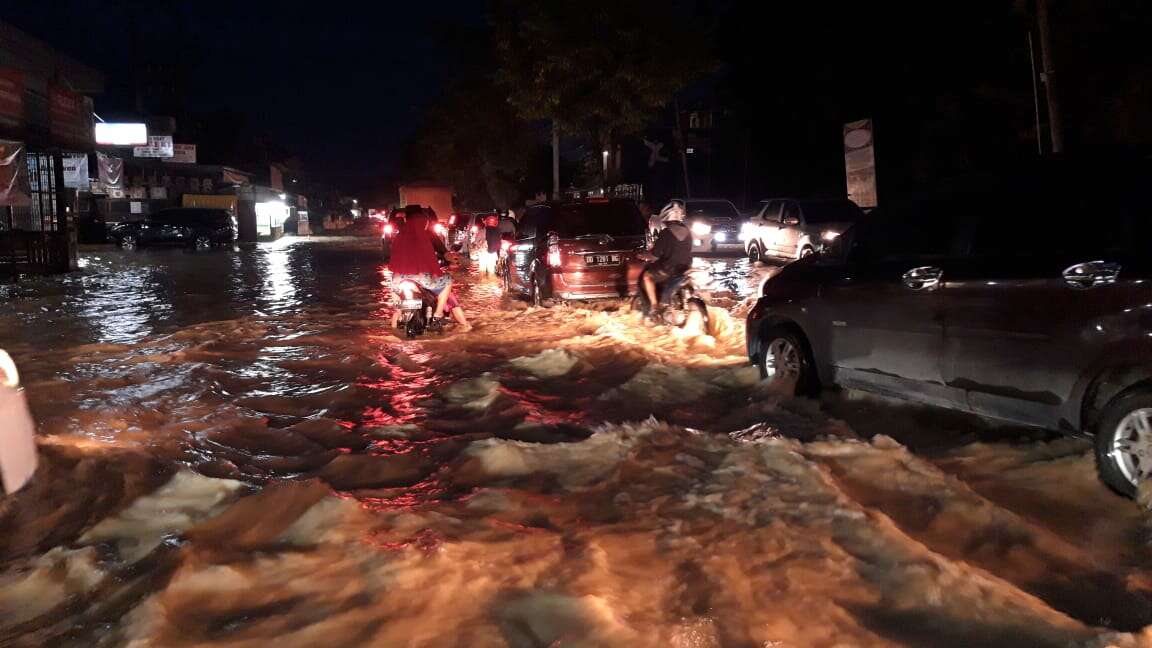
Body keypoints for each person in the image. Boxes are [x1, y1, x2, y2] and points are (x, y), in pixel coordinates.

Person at [388, 205, 455, 328]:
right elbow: (433, 259)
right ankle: (438, 315)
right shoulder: (424, 236)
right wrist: (442, 267)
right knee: (448, 280)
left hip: (398, 280)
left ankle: (393, 332)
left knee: (397, 309)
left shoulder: (399, 237)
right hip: (421, 279)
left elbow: (392, 263)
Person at [642, 201, 693, 319]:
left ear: (666, 218)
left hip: (669, 269)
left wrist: (643, 255)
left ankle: (654, 306)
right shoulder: (688, 231)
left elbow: (655, 255)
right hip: (686, 267)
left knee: (647, 276)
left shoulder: (665, 233)